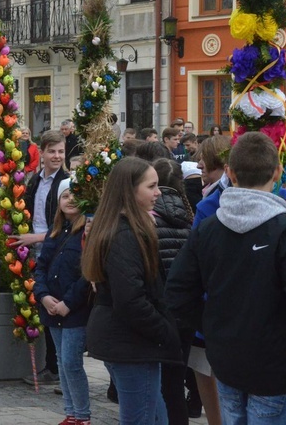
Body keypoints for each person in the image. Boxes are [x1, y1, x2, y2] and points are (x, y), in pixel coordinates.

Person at [166, 132, 286, 424]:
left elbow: (177, 292)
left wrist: (213, 326)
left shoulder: (208, 229)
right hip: (273, 366)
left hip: (233, 360)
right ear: (277, 172)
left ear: (230, 172)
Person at [82, 157, 181, 424]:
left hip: (129, 340)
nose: (158, 192)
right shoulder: (124, 234)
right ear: (130, 190)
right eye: (151, 187)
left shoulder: (127, 228)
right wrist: (164, 331)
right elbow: (130, 300)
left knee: (156, 416)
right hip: (131, 344)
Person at [34, 179, 91, 425]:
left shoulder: (87, 232)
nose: (70, 200)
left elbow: (88, 273)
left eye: (75, 195)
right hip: (52, 308)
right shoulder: (55, 231)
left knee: (71, 362)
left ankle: (82, 415)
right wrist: (43, 295)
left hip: (74, 310)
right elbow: (41, 267)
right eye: (65, 195)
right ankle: (70, 412)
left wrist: (68, 302)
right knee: (61, 360)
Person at [14, 130, 67, 387]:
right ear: (42, 152)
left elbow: (65, 226)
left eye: (61, 151)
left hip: (51, 248)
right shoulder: (35, 180)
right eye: (52, 151)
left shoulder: (65, 183)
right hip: (33, 249)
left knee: (51, 305)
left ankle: (56, 368)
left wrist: (35, 239)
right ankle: (52, 366)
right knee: (39, 307)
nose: (57, 156)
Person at [151, 158, 194, 425]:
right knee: (175, 383)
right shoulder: (188, 217)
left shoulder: (148, 219)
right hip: (184, 314)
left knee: (157, 383)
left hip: (157, 311)